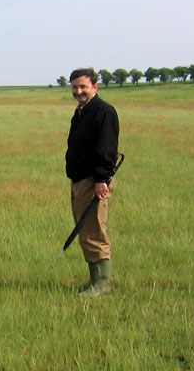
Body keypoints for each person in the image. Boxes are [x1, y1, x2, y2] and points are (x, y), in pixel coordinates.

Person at [65, 67, 119, 298]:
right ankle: (92, 280)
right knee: (85, 230)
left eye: (83, 87)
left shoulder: (103, 112)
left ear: (94, 87)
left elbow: (106, 148)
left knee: (95, 229)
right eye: (75, 87)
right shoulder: (82, 111)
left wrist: (101, 179)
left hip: (93, 182)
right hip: (80, 180)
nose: (79, 91)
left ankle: (101, 284)